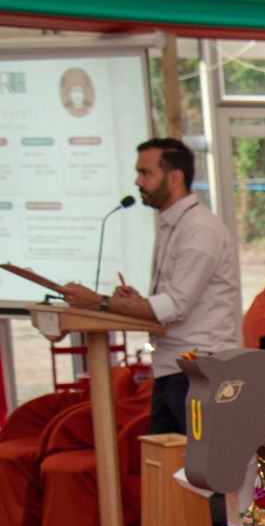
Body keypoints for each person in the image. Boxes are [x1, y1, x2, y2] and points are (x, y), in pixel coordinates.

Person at [60, 138, 240, 435]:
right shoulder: (173, 223)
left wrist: (98, 302)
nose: (137, 181)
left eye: (146, 173)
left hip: (198, 370)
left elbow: (173, 307)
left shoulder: (200, 228)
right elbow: (169, 302)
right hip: (171, 367)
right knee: (165, 471)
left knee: (201, 475)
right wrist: (138, 302)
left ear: (175, 177)